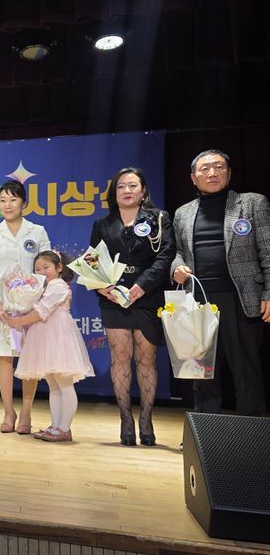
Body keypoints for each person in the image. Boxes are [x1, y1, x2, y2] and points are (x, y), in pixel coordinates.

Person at [171, 149, 269, 416]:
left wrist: (269, 293)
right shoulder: (183, 213)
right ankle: (206, 432)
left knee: (247, 371)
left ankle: (251, 432)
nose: (212, 173)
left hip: (242, 299)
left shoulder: (252, 203)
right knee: (201, 373)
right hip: (199, 302)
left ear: (229, 172)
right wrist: (176, 267)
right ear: (193, 178)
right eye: (204, 169)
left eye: (218, 167)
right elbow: (177, 251)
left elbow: (268, 250)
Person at [90, 167, 175, 446]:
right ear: (113, 193)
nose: (127, 191)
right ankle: (126, 419)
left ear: (143, 191)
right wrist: (100, 285)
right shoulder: (102, 224)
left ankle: (146, 418)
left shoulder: (159, 219)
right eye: (121, 186)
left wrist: (142, 286)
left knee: (146, 360)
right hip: (113, 298)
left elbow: (165, 256)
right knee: (119, 359)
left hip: (147, 297)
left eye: (132, 185)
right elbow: (93, 260)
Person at [0, 180, 51, 434]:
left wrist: (39, 298)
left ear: (23, 202)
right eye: (3, 200)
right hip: (3, 306)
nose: (7, 205)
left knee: (29, 358)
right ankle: (8, 411)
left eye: (13, 199)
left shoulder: (37, 231)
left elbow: (46, 267)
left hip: (31, 307)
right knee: (4, 357)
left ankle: (26, 411)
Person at [7, 251, 95, 442]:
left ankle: (64, 428)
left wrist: (19, 321)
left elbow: (42, 311)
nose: (41, 272)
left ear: (59, 267)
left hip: (58, 339)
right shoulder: (43, 288)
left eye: (46, 267)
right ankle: (55, 426)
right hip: (45, 338)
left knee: (64, 384)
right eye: (37, 269)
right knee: (53, 386)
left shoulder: (58, 286)